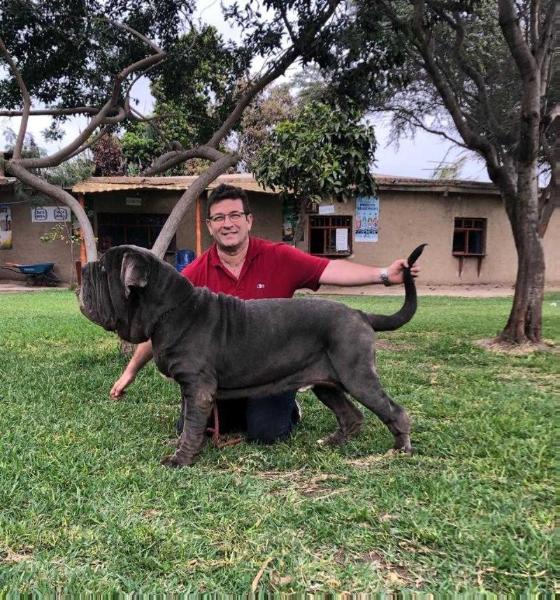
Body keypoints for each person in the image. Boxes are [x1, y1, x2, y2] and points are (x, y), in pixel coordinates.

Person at [110, 184, 420, 443]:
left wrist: (383, 275)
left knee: (267, 431)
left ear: (248, 220)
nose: (227, 223)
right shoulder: (194, 273)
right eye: (218, 218)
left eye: (234, 215)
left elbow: (330, 269)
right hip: (229, 372)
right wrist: (131, 370)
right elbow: (165, 324)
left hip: (276, 367)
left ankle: (396, 427)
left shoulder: (279, 256)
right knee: (193, 427)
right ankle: (348, 420)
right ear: (210, 226)